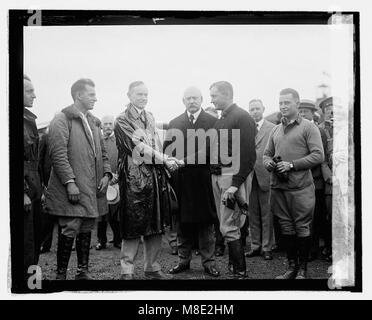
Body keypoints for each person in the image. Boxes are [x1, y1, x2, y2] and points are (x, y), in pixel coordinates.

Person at [46, 78, 112, 280]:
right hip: (73, 188)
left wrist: (107, 174)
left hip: (91, 188)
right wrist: (70, 182)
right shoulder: (62, 119)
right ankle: (60, 275)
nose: (96, 98)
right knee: (70, 227)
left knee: (86, 227)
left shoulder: (94, 122)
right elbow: (58, 154)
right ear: (78, 95)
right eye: (91, 94)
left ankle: (82, 272)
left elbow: (103, 153)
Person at [114, 81, 177, 280]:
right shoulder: (121, 119)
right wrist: (164, 159)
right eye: (139, 94)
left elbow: (155, 145)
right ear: (129, 95)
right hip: (133, 176)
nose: (143, 97)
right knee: (132, 223)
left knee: (155, 222)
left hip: (154, 176)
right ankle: (127, 271)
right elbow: (138, 146)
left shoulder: (150, 117)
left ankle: (152, 267)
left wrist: (166, 160)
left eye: (146, 94)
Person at [263, 88, 324, 279]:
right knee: (286, 227)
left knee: (302, 227)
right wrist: (270, 163)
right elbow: (266, 155)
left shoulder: (308, 127)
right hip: (279, 188)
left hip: (301, 189)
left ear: (297, 104)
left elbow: (318, 155)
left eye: (286, 103)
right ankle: (291, 268)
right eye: (280, 103)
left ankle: (303, 270)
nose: (282, 106)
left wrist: (291, 165)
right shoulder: (275, 129)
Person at [164, 86, 220, 277]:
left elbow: (213, 151)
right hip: (182, 181)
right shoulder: (175, 123)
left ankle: (209, 262)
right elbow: (168, 153)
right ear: (183, 101)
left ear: (202, 99)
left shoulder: (213, 122)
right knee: (183, 222)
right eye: (188, 98)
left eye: (195, 98)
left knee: (206, 223)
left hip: (204, 180)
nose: (192, 101)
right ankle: (183, 260)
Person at [209, 81, 256, 278]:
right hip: (217, 176)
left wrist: (235, 185)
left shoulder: (242, 117)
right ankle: (234, 265)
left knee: (229, 225)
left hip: (230, 177)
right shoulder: (221, 120)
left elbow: (248, 156)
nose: (211, 100)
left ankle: (240, 271)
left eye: (214, 96)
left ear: (227, 94)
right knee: (226, 223)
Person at [298, 99, 328, 261]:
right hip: (299, 180)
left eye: (305, 112)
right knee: (303, 217)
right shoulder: (297, 128)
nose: (302, 114)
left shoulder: (318, 130)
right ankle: (305, 248)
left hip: (314, 180)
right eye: (300, 111)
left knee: (315, 217)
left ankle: (313, 249)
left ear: (312, 113)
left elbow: (319, 157)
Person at [246, 99, 275, 260]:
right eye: (252, 109)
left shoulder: (272, 128)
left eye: (257, 108)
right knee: (253, 212)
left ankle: (267, 247)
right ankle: (255, 245)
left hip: (265, 174)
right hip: (250, 175)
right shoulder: (247, 129)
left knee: (267, 213)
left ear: (263, 109)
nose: (254, 112)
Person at [23, 74, 43, 280]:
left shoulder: (29, 120)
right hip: (24, 193)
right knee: (25, 244)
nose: (34, 95)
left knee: (35, 241)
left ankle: (31, 286)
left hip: (34, 190)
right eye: (29, 91)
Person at [95, 115, 121, 250]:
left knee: (115, 214)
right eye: (106, 124)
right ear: (101, 126)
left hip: (116, 181)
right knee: (101, 215)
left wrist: (118, 175)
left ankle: (118, 240)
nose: (108, 126)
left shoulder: (119, 141)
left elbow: (122, 160)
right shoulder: (96, 141)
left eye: (111, 124)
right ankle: (101, 241)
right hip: (102, 181)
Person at [318, 96, 334, 261]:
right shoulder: (320, 129)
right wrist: (328, 175)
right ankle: (329, 248)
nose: (331, 110)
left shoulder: (348, 127)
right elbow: (320, 156)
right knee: (328, 215)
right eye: (328, 108)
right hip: (328, 181)